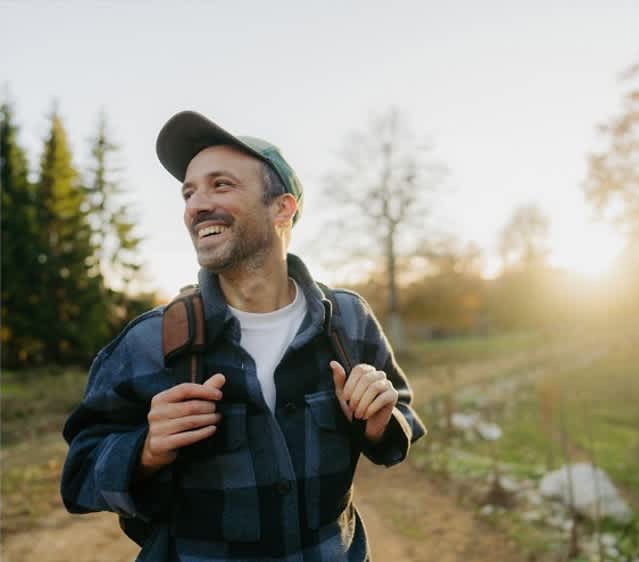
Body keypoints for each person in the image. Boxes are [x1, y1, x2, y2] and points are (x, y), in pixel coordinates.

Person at [60, 110, 426, 562]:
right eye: (189, 192)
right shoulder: (149, 340)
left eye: (221, 185)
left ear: (281, 208)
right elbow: (78, 475)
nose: (195, 205)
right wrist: (146, 450)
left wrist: (380, 425)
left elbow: (403, 411)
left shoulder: (347, 321)